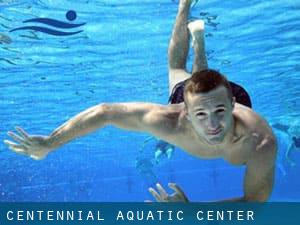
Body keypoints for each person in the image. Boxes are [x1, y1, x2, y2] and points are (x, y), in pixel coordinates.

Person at [4, 0, 277, 202]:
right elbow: (105, 112)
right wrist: (50, 142)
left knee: (186, 75)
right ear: (184, 110)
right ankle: (185, 6)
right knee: (177, 71)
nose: (214, 124)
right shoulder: (170, 120)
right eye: (201, 115)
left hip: (224, 99)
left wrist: (191, 211)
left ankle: (199, 43)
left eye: (220, 111)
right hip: (202, 96)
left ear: (232, 105)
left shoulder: (260, 140)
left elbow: (255, 203)